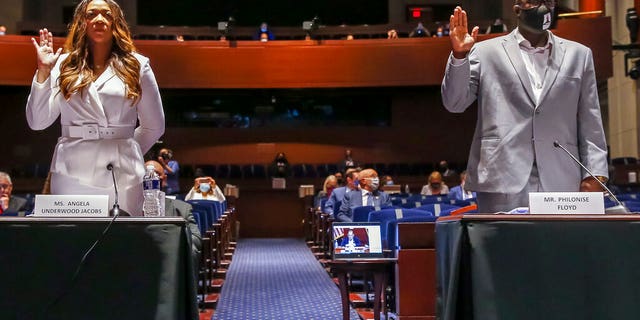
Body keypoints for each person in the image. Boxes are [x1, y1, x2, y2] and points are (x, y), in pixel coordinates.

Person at [441, 3, 608, 213]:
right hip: (501, 177)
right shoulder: (484, 51)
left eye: (549, 1)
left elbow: (591, 120)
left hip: (562, 178)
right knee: (505, 245)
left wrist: (596, 174)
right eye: (535, 1)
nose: (544, 7)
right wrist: (459, 56)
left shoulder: (579, 55)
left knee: (557, 245)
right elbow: (454, 103)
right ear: (517, 9)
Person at [25, 0, 165, 215]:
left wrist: (123, 149)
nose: (99, 19)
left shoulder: (137, 65)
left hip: (123, 173)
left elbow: (154, 126)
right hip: (71, 170)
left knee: (121, 240)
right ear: (82, 21)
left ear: (116, 21)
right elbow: (38, 122)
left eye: (106, 14)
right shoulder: (62, 64)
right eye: (92, 14)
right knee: (72, 239)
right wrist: (43, 71)